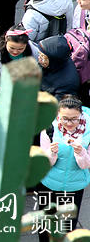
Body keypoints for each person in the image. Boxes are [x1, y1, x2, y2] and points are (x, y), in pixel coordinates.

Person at [37, 95, 90, 241]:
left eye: (74, 119)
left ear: (81, 115)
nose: (69, 123)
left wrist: (81, 153)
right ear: (58, 115)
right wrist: (51, 153)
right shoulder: (49, 127)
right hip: (49, 183)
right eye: (65, 118)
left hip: (75, 185)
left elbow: (87, 164)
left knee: (68, 225)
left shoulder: (88, 130)